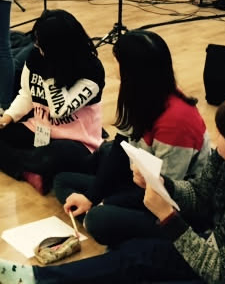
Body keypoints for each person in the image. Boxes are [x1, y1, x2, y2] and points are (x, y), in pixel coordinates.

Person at [0, 94, 225, 284]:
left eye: (223, 134)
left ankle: (38, 279)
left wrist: (167, 217)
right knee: (128, 246)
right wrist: (164, 185)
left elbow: (221, 273)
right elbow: (200, 194)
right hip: (206, 237)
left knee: (135, 256)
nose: (215, 136)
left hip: (219, 266)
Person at [55, 30, 210, 245]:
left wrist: (106, 202)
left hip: (174, 206)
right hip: (140, 182)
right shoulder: (140, 93)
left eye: (118, 62)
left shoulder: (177, 121)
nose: (115, 68)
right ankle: (120, 228)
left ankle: (132, 236)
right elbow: (120, 147)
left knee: (98, 218)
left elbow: (163, 192)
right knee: (63, 180)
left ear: (132, 70)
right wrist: (92, 197)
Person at [0, 10, 105, 195]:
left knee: (54, 155)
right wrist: (7, 118)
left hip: (76, 142)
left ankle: (29, 164)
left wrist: (50, 74)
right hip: (39, 131)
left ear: (58, 48)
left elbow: (59, 110)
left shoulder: (91, 70)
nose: (37, 47)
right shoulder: (36, 57)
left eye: (41, 45)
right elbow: (27, 94)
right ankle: (28, 170)